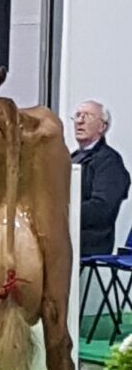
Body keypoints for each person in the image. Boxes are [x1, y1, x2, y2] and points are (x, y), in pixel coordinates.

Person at [71, 100, 131, 256]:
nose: (80, 120)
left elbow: (102, 210)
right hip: (64, 238)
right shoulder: (71, 158)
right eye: (77, 115)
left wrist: (62, 211)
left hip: (88, 245)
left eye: (88, 116)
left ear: (102, 127)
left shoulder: (110, 162)